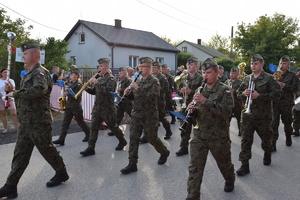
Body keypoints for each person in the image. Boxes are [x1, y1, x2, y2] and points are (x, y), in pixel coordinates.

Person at [0, 42, 69, 199]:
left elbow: (39, 90)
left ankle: (61, 172)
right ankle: (10, 186)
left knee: (46, 149)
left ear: (35, 56)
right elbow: (26, 93)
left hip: (38, 121)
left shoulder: (41, 73)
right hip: (26, 122)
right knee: (20, 153)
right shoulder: (29, 73)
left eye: (25, 54)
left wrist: (15, 93)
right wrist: (12, 91)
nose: (23, 56)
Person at [186, 58, 235, 200]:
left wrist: (206, 101)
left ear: (217, 73)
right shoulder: (200, 89)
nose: (205, 76)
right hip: (199, 135)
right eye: (203, 72)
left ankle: (230, 178)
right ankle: (192, 195)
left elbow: (226, 112)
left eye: (208, 72)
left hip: (218, 136)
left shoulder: (224, 90)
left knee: (224, 163)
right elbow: (197, 112)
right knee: (195, 168)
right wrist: (192, 109)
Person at [120, 57, 170, 175]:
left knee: (152, 138)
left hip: (149, 115)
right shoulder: (138, 80)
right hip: (137, 114)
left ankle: (164, 152)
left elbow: (153, 97)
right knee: (133, 138)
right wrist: (128, 94)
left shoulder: (154, 81)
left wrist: (138, 89)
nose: (141, 69)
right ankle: (132, 163)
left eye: (143, 67)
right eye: (140, 67)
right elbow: (135, 97)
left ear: (150, 68)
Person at [236, 54, 281, 176]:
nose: (253, 66)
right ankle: (244, 165)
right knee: (245, 140)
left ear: (262, 64)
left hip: (263, 117)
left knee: (266, 139)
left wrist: (259, 96)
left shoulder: (269, 79)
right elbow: (237, 93)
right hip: (247, 116)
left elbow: (277, 94)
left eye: (256, 64)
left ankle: (267, 152)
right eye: (251, 63)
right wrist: (244, 94)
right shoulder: (246, 79)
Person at [80, 58, 127, 156]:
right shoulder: (100, 78)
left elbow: (108, 91)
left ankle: (122, 140)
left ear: (107, 66)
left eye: (101, 66)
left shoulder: (111, 79)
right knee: (93, 128)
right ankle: (90, 148)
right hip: (97, 108)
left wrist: (96, 83)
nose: (99, 68)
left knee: (113, 127)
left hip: (107, 108)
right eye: (99, 66)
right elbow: (95, 92)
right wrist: (87, 88)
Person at [52, 71, 90, 145]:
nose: (70, 76)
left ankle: (89, 134)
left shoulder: (79, 84)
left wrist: (68, 93)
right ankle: (61, 139)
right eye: (70, 75)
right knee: (65, 123)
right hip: (69, 106)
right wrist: (65, 91)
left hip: (76, 106)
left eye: (72, 75)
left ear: (76, 76)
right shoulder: (71, 83)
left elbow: (77, 95)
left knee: (80, 122)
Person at [176, 57, 203, 156]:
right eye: (188, 64)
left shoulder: (201, 78)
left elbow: (204, 93)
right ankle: (183, 147)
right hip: (185, 106)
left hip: (197, 107)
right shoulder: (183, 78)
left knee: (198, 129)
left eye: (191, 64)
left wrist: (191, 92)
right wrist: (181, 91)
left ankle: (199, 149)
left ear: (197, 66)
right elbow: (178, 91)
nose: (189, 66)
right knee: (184, 128)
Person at [271, 55, 299, 151]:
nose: (282, 65)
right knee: (274, 123)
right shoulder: (274, 75)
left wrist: (284, 85)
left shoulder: (293, 75)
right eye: (280, 63)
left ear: (288, 65)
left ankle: (288, 136)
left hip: (287, 104)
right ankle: (273, 143)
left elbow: (296, 89)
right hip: (275, 103)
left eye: (284, 63)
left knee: (287, 123)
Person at [107, 67, 133, 136]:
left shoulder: (128, 81)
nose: (119, 73)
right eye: (119, 72)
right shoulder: (120, 80)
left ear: (125, 73)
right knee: (118, 117)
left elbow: (130, 90)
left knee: (134, 116)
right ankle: (114, 131)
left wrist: (121, 90)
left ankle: (142, 128)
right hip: (121, 102)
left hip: (127, 102)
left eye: (121, 72)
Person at [151, 61, 173, 139]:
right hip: (151, 101)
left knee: (161, 118)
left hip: (159, 101)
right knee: (150, 118)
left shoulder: (162, 78)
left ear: (159, 69)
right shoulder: (151, 77)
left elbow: (166, 89)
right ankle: (148, 136)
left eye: (155, 68)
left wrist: (156, 89)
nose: (153, 69)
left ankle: (168, 131)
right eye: (152, 67)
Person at [225, 67, 243, 136]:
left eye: (233, 73)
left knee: (239, 118)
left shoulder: (240, 82)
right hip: (228, 104)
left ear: (237, 74)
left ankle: (240, 131)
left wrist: (234, 91)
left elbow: (241, 92)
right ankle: (226, 131)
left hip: (237, 103)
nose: (231, 74)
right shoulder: (227, 82)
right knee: (227, 119)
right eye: (231, 73)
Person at [0, 68, 18, 133]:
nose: (6, 73)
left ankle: (17, 128)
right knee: (3, 114)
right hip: (1, 99)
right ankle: (5, 128)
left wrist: (9, 87)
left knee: (14, 114)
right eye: (4, 72)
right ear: (1, 73)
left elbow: (13, 89)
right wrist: (3, 97)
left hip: (10, 98)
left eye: (7, 72)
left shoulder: (11, 80)